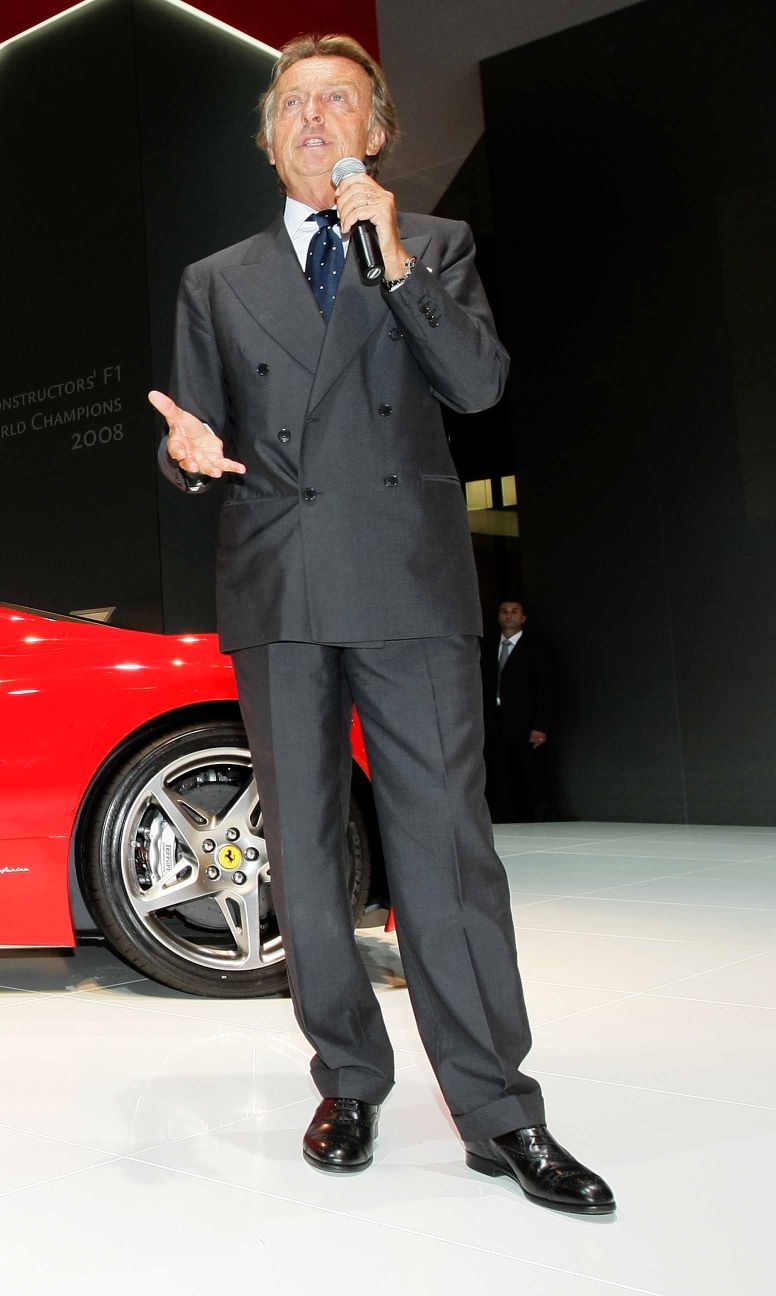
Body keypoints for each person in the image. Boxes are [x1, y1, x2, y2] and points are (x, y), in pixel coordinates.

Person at [147, 33, 612, 1214]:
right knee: (304, 861)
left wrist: (393, 259)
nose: (313, 116)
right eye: (293, 102)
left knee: (446, 853)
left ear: (377, 128)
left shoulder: (436, 246)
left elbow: (478, 387)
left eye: (337, 99)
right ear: (266, 138)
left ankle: (499, 1110)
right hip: (278, 588)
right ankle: (349, 1078)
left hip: (405, 583)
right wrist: (183, 455)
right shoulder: (216, 279)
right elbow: (196, 432)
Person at [482, 600, 557, 821]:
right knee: (499, 772)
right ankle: (505, 818)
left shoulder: (536, 648)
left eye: (514, 612)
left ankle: (537, 818)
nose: (509, 615)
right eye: (504, 611)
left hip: (525, 722)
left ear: (523, 618)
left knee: (530, 772)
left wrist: (540, 725)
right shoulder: (487, 646)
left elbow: (546, 690)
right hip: (494, 720)